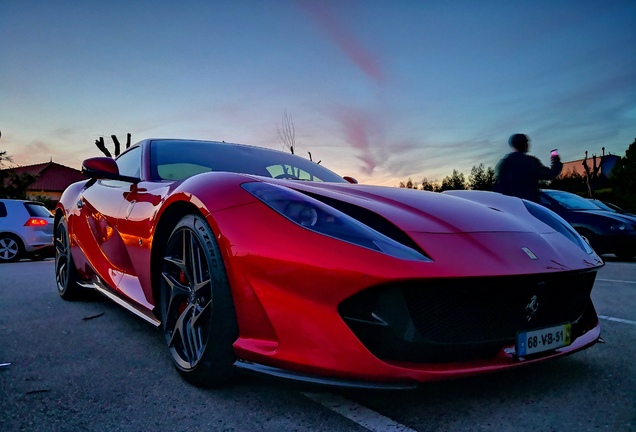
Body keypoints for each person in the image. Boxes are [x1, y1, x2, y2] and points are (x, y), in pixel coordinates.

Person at [494, 133, 562, 202]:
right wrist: (556, 161)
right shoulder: (530, 162)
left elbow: (500, 187)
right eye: (527, 142)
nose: (528, 145)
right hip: (529, 204)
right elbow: (549, 174)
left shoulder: (504, 163)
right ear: (524, 144)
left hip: (510, 206)